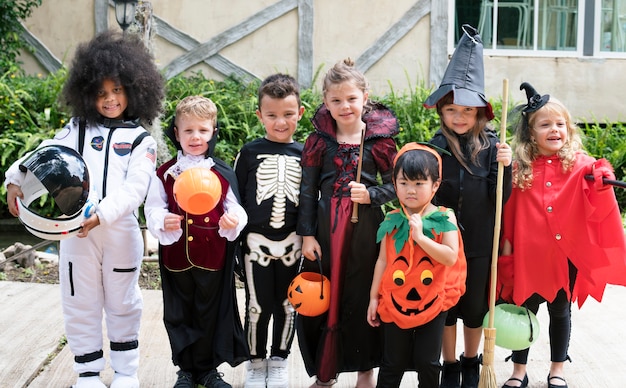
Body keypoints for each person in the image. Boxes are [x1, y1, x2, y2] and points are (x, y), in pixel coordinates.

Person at [4, 30, 164, 388]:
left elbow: (136, 188)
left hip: (120, 232)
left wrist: (102, 214)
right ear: (87, 91)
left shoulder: (141, 140)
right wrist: (16, 181)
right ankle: (88, 373)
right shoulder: (76, 130)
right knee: (79, 300)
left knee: (124, 302)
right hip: (75, 231)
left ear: (134, 89)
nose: (110, 99)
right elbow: (46, 158)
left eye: (117, 90)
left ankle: (126, 373)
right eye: (101, 92)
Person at [497, 83, 626, 388]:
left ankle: (558, 368)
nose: (554, 130)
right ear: (530, 133)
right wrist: (506, 253)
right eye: (545, 125)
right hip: (528, 255)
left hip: (563, 256)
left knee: (560, 310)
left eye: (560, 124)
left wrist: (603, 177)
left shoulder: (580, 166)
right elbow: (509, 213)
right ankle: (519, 370)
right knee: (523, 311)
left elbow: (597, 186)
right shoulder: (518, 169)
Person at [297, 58, 399, 388]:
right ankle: (326, 374)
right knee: (329, 297)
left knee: (361, 295)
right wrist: (307, 235)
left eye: (351, 99)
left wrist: (371, 195)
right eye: (336, 100)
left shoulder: (380, 142)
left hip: (366, 233)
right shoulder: (318, 143)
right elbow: (308, 191)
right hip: (327, 232)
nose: (345, 106)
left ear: (364, 97)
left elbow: (398, 185)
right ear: (325, 101)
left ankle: (365, 372)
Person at [423, 24, 513, 388]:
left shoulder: (492, 148)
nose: (459, 117)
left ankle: (471, 360)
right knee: (446, 305)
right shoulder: (433, 146)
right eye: (452, 109)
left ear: (480, 114)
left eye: (467, 110)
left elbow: (500, 199)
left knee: (474, 307)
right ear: (442, 110)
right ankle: (448, 364)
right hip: (442, 242)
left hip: (478, 243)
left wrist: (506, 167)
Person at [144, 95, 249, 388]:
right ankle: (186, 370)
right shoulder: (165, 174)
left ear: (213, 133)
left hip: (212, 256)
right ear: (176, 133)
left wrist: (233, 221)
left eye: (202, 130)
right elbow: (153, 207)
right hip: (176, 257)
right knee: (179, 314)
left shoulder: (221, 173)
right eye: (188, 130)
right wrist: (160, 219)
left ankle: (207, 370)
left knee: (209, 313)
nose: (195, 137)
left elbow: (236, 208)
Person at [367, 142, 467, 388]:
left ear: (435, 185)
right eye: (404, 183)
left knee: (428, 362)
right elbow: (383, 260)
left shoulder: (445, 217)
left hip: (433, 300)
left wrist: (421, 238)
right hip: (395, 300)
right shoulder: (392, 219)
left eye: (419, 183)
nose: (410, 190)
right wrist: (373, 298)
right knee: (392, 363)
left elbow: (450, 257)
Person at [234, 73, 304, 388]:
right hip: (255, 243)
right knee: (256, 306)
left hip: (293, 243)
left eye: (288, 114)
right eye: (272, 115)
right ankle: (255, 363)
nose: (280, 122)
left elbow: (311, 201)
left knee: (289, 304)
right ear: (260, 115)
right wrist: (236, 248)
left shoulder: (307, 153)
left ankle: (279, 361)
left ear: (299, 113)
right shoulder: (248, 154)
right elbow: (234, 200)